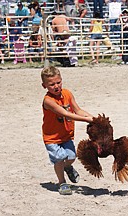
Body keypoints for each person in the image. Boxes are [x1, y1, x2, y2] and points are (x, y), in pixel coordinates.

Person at [41, 66, 93, 195]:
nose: (56, 86)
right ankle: (62, 182)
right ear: (44, 86)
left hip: (66, 134)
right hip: (52, 137)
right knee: (59, 158)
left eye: (58, 82)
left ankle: (68, 167)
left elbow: (77, 110)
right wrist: (86, 120)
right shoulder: (48, 101)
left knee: (71, 157)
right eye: (52, 84)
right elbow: (66, 114)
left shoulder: (67, 93)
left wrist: (92, 118)